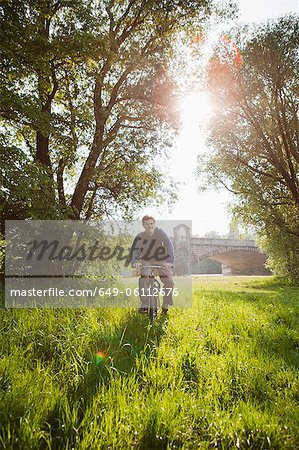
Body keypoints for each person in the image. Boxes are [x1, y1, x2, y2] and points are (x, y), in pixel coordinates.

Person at [130, 215, 174, 314]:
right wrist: (134, 262)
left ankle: (165, 305)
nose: (149, 226)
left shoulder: (160, 232)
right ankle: (144, 304)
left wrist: (170, 262)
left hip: (161, 260)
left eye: (151, 223)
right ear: (143, 225)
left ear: (154, 224)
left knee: (169, 282)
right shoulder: (140, 236)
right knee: (144, 278)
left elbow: (169, 245)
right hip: (147, 260)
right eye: (147, 224)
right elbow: (134, 250)